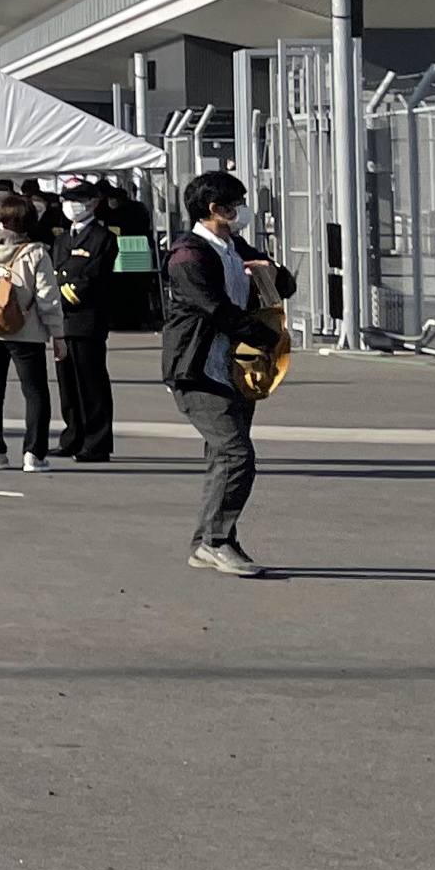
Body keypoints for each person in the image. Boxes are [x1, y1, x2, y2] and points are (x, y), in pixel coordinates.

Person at [164, 169, 280, 575]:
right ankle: (215, 541)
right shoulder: (188, 255)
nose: (243, 211)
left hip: (235, 368)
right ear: (215, 209)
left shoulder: (234, 245)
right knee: (236, 454)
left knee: (222, 456)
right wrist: (263, 334)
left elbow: (281, 281)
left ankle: (210, 541)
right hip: (197, 368)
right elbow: (215, 308)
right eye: (236, 204)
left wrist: (271, 274)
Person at [0, 192, 54, 469]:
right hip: (26, 331)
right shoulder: (36, 252)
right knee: (35, 391)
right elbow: (47, 297)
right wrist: (57, 333)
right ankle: (34, 454)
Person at [43, 177, 116, 462]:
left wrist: (66, 294)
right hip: (62, 319)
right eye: (67, 200)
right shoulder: (62, 238)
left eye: (78, 200)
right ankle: (73, 436)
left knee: (91, 383)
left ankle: (97, 442)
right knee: (67, 384)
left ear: (93, 202)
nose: (71, 206)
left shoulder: (103, 237)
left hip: (86, 317)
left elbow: (92, 276)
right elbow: (55, 270)